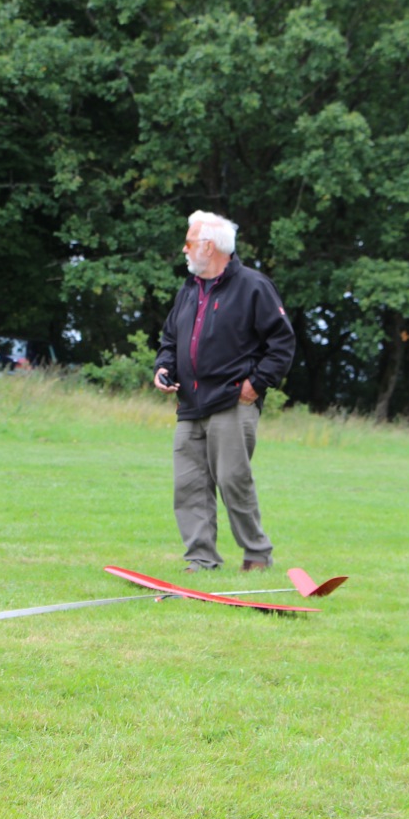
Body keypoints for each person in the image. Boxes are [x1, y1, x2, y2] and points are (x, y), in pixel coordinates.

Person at [154, 211, 296, 573]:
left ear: (209, 246)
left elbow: (282, 343)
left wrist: (257, 383)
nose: (184, 249)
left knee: (233, 479)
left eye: (189, 242)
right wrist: (163, 367)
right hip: (190, 404)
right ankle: (201, 558)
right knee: (189, 485)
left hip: (233, 401)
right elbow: (170, 338)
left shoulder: (254, 286)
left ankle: (257, 554)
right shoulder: (188, 290)